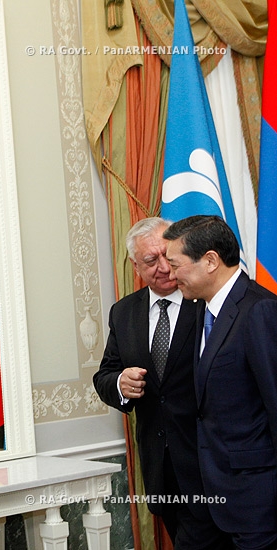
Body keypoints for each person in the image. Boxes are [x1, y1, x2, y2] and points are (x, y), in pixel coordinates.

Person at [93, 218, 230, 548]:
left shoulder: (208, 303)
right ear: (135, 265)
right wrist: (120, 384)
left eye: (168, 257)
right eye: (151, 261)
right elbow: (105, 375)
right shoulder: (124, 312)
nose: (163, 268)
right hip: (161, 468)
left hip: (211, 465)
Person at [164, 215, 277, 549]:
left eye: (175, 264)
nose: (170, 275)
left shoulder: (259, 311)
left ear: (210, 261)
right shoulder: (202, 310)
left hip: (257, 503)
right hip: (209, 501)